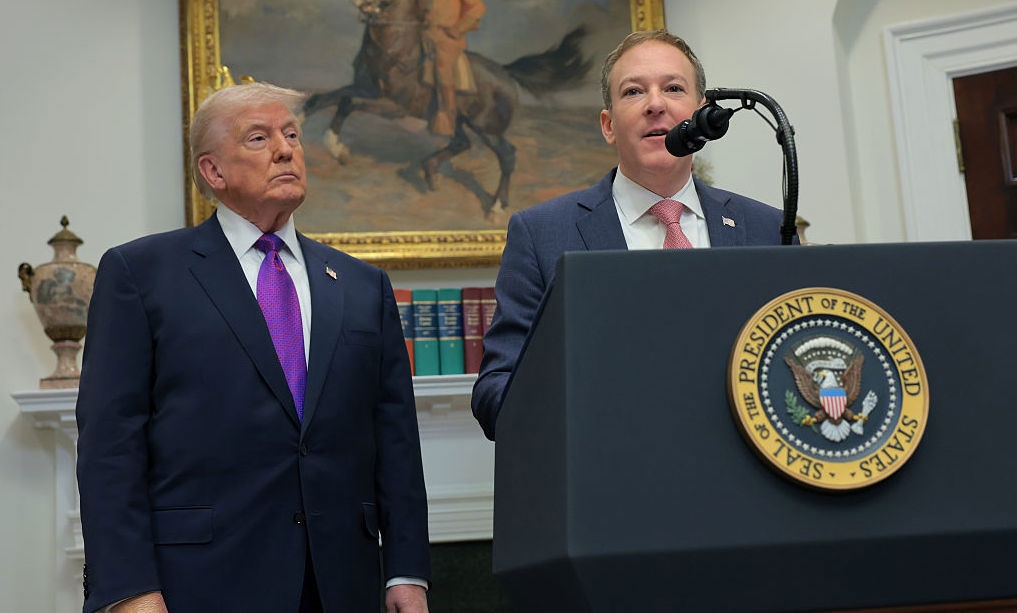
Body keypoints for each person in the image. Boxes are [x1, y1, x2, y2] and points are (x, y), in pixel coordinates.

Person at [75, 82, 430, 613]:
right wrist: (127, 589)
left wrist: (406, 571)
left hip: (341, 585)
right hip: (198, 584)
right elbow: (110, 447)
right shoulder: (141, 274)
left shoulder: (361, 285)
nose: (286, 150)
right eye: (259, 138)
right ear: (212, 172)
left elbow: (395, 439)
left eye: (291, 135)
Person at [471, 30, 794, 441]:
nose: (655, 105)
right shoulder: (541, 234)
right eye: (633, 92)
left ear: (703, 114)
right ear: (608, 125)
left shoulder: (766, 228)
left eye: (673, 88)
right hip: (608, 477)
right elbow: (494, 395)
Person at [421, 0, 486, 136]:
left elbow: (477, 8)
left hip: (447, 37)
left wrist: (457, 29)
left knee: (442, 68)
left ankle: (446, 120)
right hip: (424, 33)